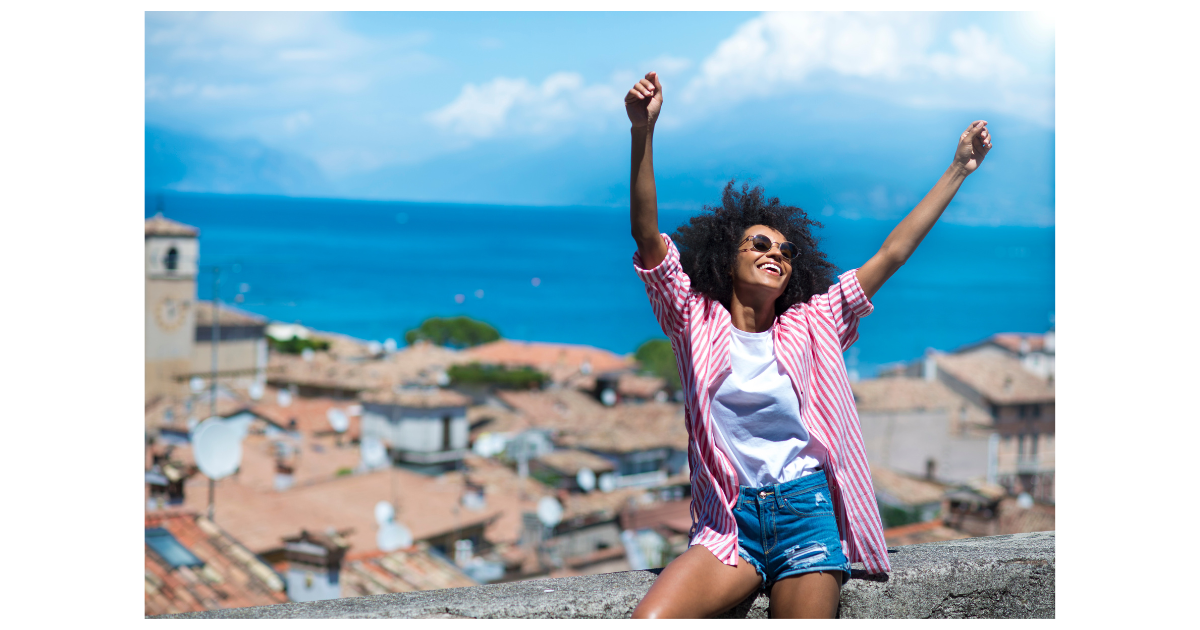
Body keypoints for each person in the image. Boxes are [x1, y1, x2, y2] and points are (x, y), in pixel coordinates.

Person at [624, 71, 992, 619]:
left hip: (806, 513)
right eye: (760, 243)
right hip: (728, 521)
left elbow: (890, 254)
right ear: (727, 255)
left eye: (787, 250)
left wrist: (958, 168)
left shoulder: (814, 321)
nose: (777, 252)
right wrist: (642, 133)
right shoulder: (692, 319)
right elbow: (648, 238)